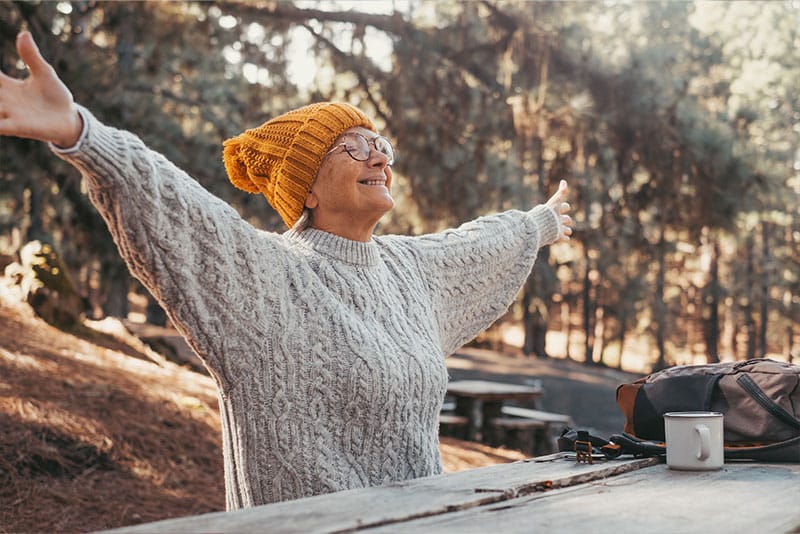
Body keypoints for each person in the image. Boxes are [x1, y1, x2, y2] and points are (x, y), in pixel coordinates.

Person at [0, 31, 573, 510]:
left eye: (381, 145)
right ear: (308, 188)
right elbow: (176, 206)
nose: (379, 157)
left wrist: (540, 223)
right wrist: (81, 133)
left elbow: (474, 246)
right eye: (353, 148)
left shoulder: (408, 271)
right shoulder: (269, 280)